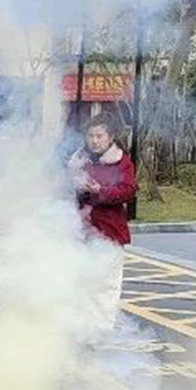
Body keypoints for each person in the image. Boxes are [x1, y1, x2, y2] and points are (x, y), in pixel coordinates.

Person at [69, 115, 137, 329]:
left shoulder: (121, 161)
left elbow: (128, 190)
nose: (94, 141)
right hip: (81, 232)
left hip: (109, 232)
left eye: (99, 136)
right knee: (81, 282)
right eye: (90, 136)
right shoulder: (78, 161)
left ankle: (103, 330)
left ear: (110, 137)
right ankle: (81, 328)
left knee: (105, 285)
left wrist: (101, 191)